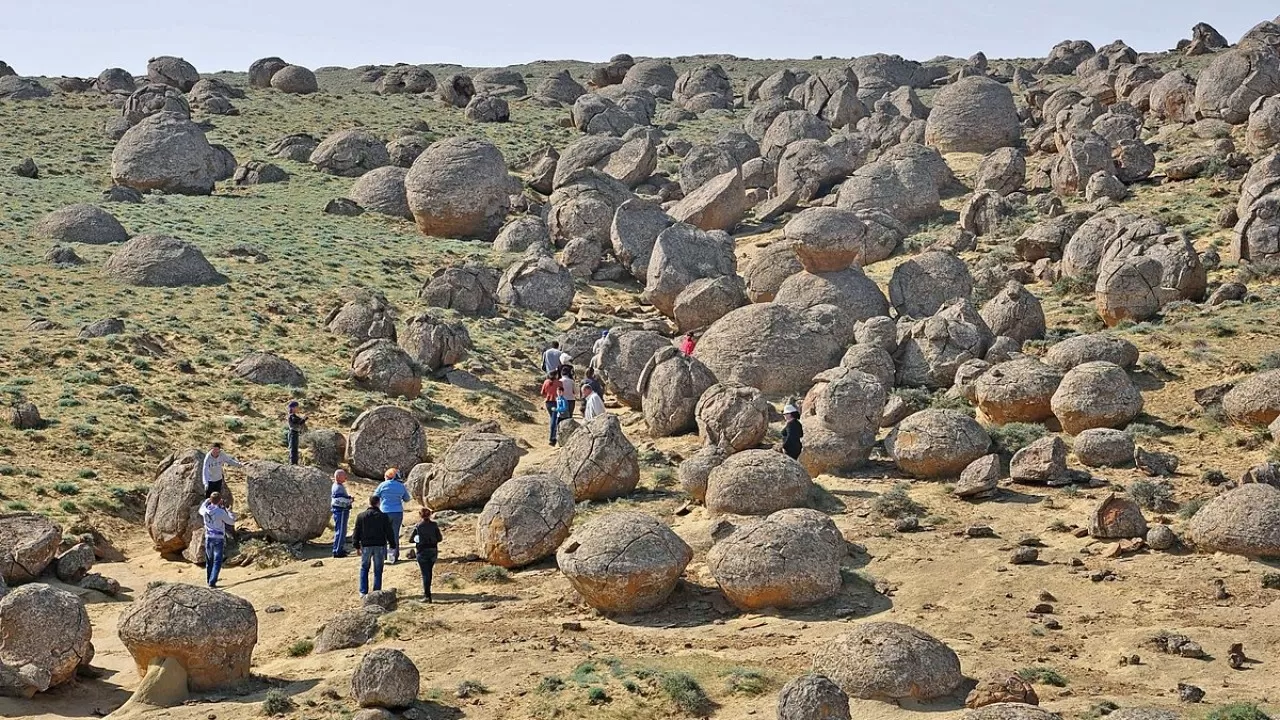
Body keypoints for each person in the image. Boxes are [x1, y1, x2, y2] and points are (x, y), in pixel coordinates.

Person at [353, 494, 395, 597]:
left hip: (366, 545)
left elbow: (356, 532)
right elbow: (389, 532)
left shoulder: (361, 516)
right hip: (379, 545)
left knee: (364, 568)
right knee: (378, 569)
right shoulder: (383, 516)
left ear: (369, 503)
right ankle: (376, 591)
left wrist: (357, 546)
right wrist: (392, 544)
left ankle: (363, 591)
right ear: (378, 503)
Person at [199, 491, 235, 588]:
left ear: (210, 500)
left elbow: (202, 507)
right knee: (217, 561)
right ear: (220, 501)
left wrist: (208, 500)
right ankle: (212, 581)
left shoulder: (204, 510)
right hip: (218, 538)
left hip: (208, 537)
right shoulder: (220, 512)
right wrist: (230, 512)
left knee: (209, 560)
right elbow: (231, 522)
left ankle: (209, 579)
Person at [374, 468, 411, 563]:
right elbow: (407, 499)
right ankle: (394, 556)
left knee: (383, 535)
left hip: (384, 512)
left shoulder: (382, 485)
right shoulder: (400, 486)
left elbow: (375, 497)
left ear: (387, 477)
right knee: (394, 535)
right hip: (397, 512)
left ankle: (384, 556)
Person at [409, 507, 444, 602]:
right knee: (429, 572)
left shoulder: (418, 526)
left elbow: (411, 540)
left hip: (422, 551)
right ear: (430, 515)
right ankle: (428, 592)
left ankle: (427, 595)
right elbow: (440, 538)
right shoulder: (434, 525)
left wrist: (418, 539)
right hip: (433, 550)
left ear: (420, 515)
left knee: (425, 573)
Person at [330, 469, 353, 558]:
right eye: (344, 475)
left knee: (340, 530)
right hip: (341, 511)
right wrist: (350, 500)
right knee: (341, 531)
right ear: (338, 477)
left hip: (339, 511)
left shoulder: (337, 486)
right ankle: (338, 551)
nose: (346, 477)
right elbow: (339, 500)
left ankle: (339, 549)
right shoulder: (338, 487)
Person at [541, 371, 562, 446]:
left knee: (552, 418)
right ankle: (552, 438)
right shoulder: (559, 383)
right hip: (556, 402)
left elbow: (542, 393)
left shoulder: (546, 382)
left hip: (548, 402)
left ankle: (553, 436)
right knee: (554, 420)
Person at [286, 401, 307, 465]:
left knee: (295, 448)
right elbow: (298, 422)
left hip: (295, 433)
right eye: (296, 407)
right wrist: (304, 419)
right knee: (293, 448)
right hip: (293, 433)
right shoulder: (291, 416)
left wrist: (304, 419)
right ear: (293, 408)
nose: (298, 408)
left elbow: (300, 421)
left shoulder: (294, 416)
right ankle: (293, 463)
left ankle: (294, 462)